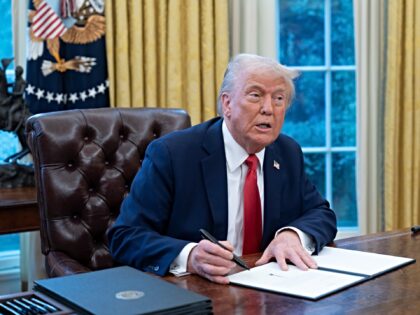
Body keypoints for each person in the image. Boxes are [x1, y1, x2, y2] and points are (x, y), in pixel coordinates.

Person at [108, 54, 337, 284]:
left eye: (279, 99)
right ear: (227, 104)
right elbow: (125, 237)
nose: (269, 109)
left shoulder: (287, 152)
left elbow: (321, 214)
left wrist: (292, 235)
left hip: (271, 288)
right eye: (256, 95)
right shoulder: (173, 154)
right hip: (197, 292)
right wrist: (189, 256)